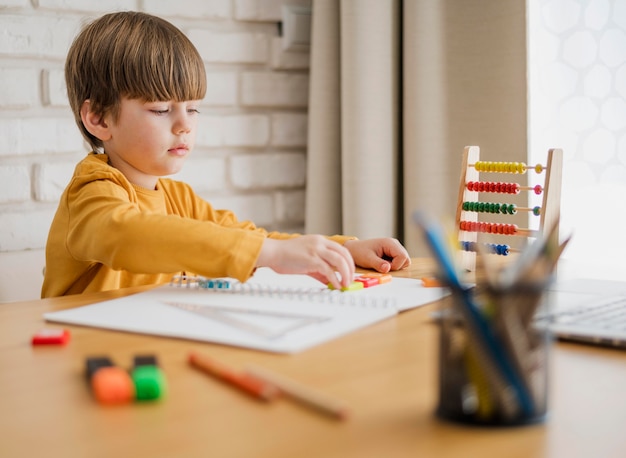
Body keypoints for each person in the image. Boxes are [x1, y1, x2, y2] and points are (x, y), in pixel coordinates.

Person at [41, 11, 410, 298]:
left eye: (193, 108)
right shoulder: (90, 193)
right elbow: (128, 234)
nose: (185, 125)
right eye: (160, 110)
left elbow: (247, 236)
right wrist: (268, 254)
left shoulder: (177, 199)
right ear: (98, 118)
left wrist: (343, 247)